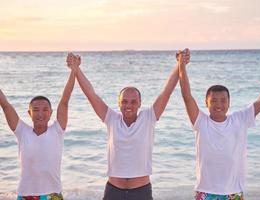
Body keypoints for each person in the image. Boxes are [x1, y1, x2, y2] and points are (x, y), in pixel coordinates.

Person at [66, 52, 188, 200]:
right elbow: (91, 94)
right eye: (124, 101)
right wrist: (76, 69)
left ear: (139, 104)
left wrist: (179, 65)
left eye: (133, 102)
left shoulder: (149, 117)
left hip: (141, 191)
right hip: (113, 191)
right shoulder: (111, 118)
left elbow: (166, 92)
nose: (128, 105)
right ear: (119, 103)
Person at [178, 51, 260, 200]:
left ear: (229, 103)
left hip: (233, 192)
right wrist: (181, 65)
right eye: (214, 100)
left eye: (223, 100)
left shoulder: (239, 119)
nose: (219, 104)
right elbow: (187, 96)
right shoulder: (200, 121)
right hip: (206, 191)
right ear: (206, 103)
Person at [0, 54, 76, 200]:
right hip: (26, 195)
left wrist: (74, 71)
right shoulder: (22, 131)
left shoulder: (57, 130)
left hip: (53, 194)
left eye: (45, 110)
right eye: (35, 110)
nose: (40, 114)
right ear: (29, 113)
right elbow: (5, 104)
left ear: (51, 112)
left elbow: (65, 100)